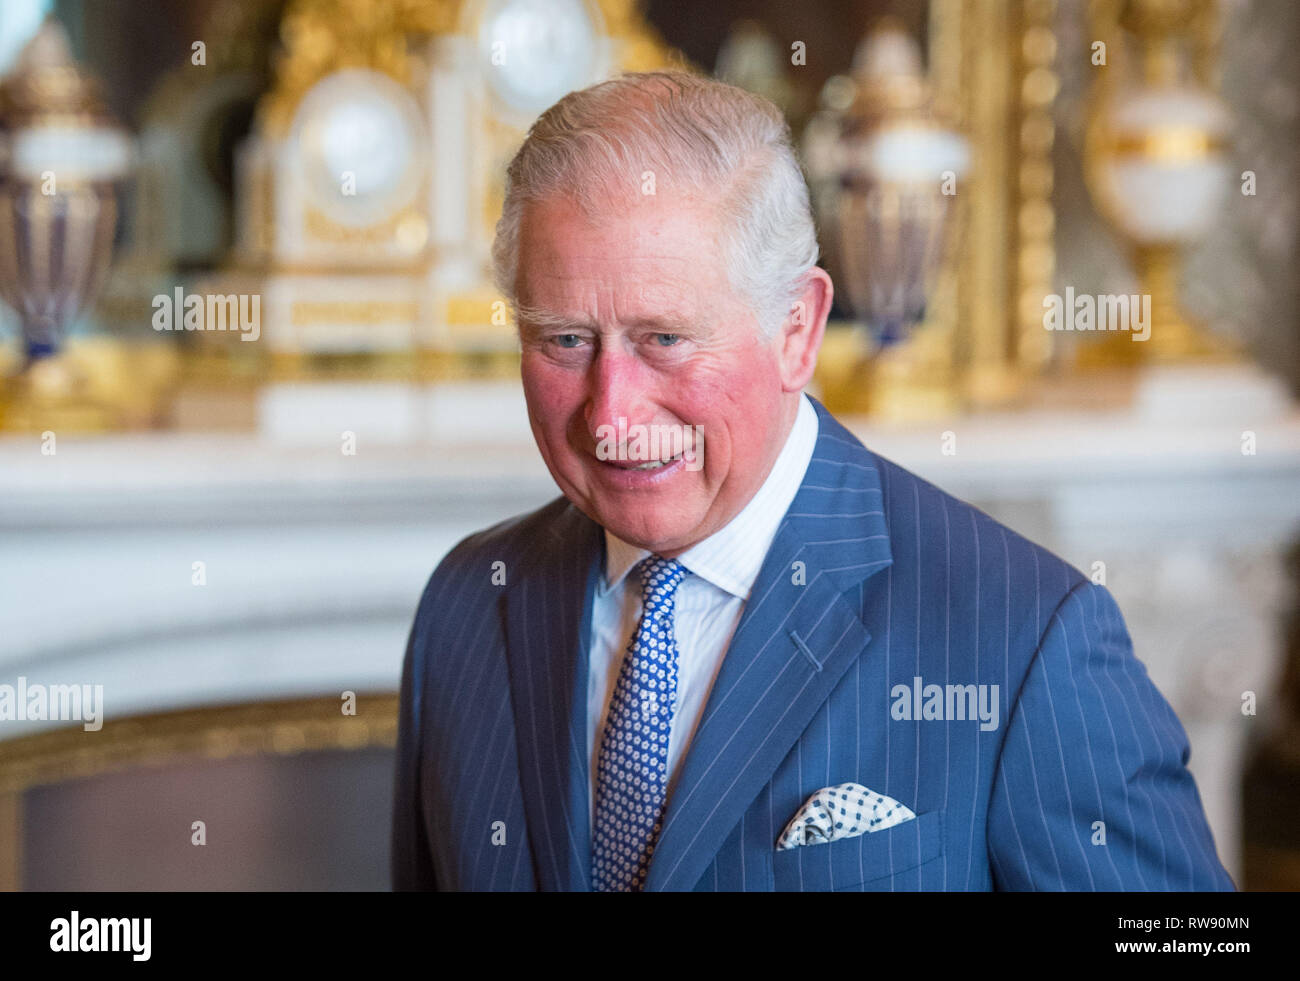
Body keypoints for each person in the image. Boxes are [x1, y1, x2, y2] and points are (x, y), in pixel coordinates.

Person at [391, 70, 1234, 891]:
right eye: (566, 340)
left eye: (665, 339)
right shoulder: (467, 604)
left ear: (798, 329)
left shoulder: (1024, 641)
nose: (610, 414)